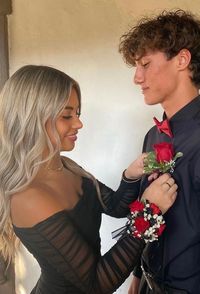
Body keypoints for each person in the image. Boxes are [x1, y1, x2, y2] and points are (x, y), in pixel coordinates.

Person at [0, 65, 177, 294]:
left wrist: (131, 175)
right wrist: (149, 211)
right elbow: (98, 283)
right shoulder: (28, 197)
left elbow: (114, 206)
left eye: (77, 114)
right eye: (66, 116)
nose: (78, 123)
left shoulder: (65, 166)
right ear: (31, 119)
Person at [119, 9, 200, 294]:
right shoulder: (153, 135)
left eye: (145, 64)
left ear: (182, 60)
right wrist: (137, 276)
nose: (137, 77)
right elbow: (146, 211)